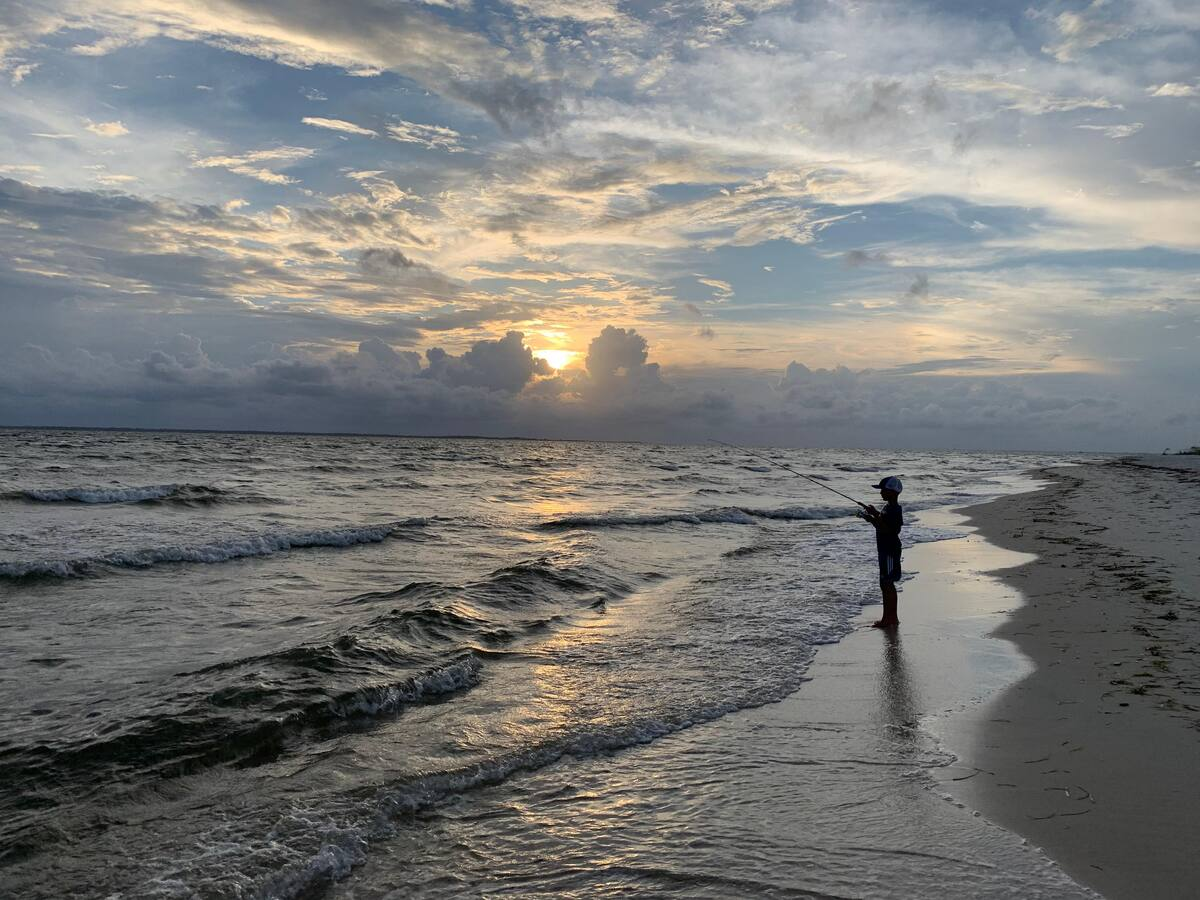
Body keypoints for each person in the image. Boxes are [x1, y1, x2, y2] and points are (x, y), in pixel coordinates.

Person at [861, 476, 903, 629]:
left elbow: (889, 529)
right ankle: (889, 617)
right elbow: (884, 521)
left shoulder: (894, 509)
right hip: (886, 550)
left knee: (887, 583)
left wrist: (871, 519)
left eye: (883, 490)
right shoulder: (889, 508)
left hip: (890, 551)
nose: (881, 493)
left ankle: (891, 618)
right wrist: (873, 513)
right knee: (884, 583)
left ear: (892, 492)